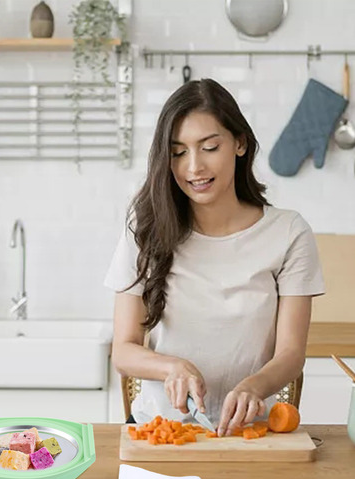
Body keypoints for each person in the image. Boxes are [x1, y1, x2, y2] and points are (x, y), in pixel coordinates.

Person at [104, 79, 325, 437]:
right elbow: (124, 351)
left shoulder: (288, 233)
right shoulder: (145, 230)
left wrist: (254, 386)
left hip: (250, 434)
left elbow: (291, 353)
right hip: (161, 432)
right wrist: (171, 367)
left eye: (208, 147)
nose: (193, 168)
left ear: (239, 143)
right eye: (178, 152)